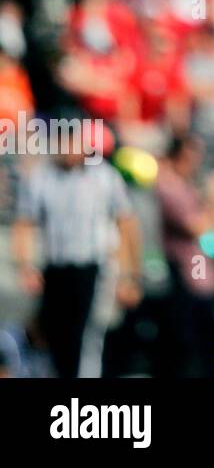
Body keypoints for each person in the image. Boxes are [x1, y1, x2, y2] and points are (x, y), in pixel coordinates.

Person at [12, 132, 141, 378]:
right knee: (53, 333)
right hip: (56, 267)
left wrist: (129, 275)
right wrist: (26, 265)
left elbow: (126, 224)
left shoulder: (104, 176)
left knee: (89, 333)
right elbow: (24, 223)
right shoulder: (42, 177)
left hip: (94, 266)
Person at [155, 134, 214, 378]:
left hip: (201, 277)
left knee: (207, 347)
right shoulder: (170, 188)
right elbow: (203, 229)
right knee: (191, 349)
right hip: (189, 277)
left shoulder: (185, 187)